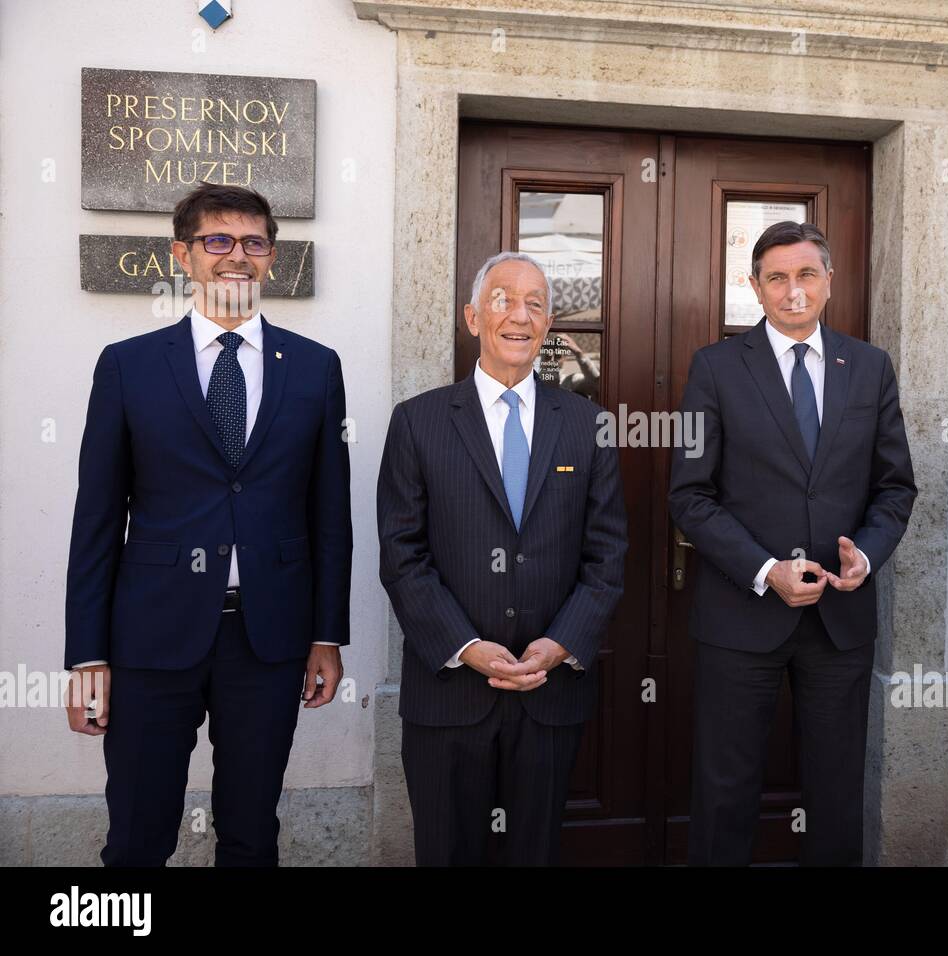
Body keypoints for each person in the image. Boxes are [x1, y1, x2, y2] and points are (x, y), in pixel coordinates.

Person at [64, 182, 352, 866]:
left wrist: (326, 635)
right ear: (182, 255)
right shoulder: (128, 367)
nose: (236, 257)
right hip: (150, 639)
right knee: (136, 835)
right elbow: (97, 518)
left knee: (252, 833)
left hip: (268, 637)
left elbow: (329, 513)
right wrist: (87, 655)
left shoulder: (314, 369)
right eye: (216, 240)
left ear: (272, 259)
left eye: (253, 242)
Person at [669, 220, 916, 865]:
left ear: (829, 281)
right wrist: (764, 568)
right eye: (776, 278)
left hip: (841, 617)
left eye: (807, 274)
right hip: (740, 617)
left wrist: (867, 552)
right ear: (755, 288)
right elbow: (689, 496)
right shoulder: (714, 368)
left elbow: (896, 488)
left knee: (837, 792)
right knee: (725, 790)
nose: (794, 290)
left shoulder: (869, 367)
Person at [377, 251, 626, 865]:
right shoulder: (418, 422)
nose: (520, 315)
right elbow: (401, 554)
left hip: (548, 691)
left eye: (536, 303)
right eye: (503, 300)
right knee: (447, 850)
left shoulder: (587, 425)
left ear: (549, 326)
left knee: (532, 853)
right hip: (448, 692)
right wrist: (466, 647)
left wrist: (561, 643)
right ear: (471, 317)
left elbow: (608, 554)